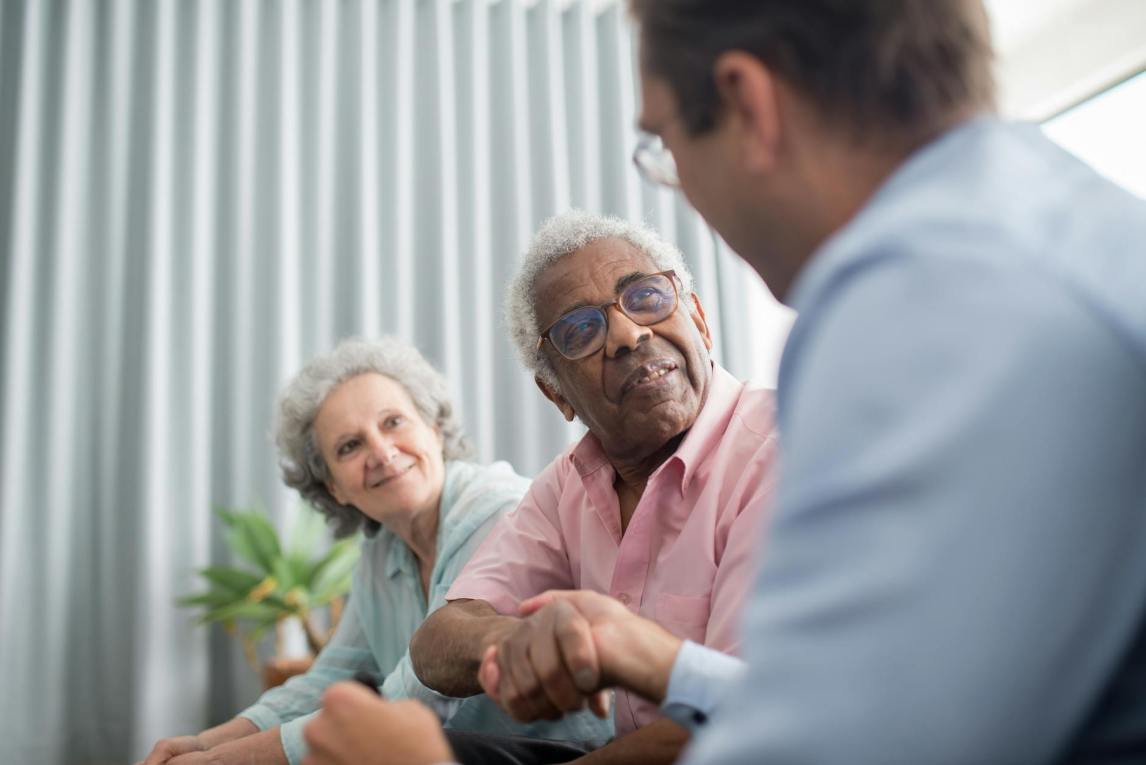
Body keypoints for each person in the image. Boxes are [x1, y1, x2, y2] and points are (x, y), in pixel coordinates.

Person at [301, 0, 1146, 762]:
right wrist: (662, 660)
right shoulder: (1051, 230)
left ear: (746, 102)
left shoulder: (923, 306)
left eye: (666, 142)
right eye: (586, 330)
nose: (629, 336)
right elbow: (852, 700)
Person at [404, 210, 778, 764]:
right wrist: (511, 642)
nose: (629, 334)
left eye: (647, 298)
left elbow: (751, 718)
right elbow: (436, 642)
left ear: (699, 319)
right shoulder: (568, 484)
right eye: (581, 330)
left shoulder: (777, 446)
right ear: (556, 394)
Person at [138, 337, 609, 765]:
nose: (382, 452)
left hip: (569, 755)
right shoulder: (382, 549)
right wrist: (208, 743)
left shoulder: (497, 510)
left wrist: (229, 762)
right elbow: (329, 681)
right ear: (334, 487)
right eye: (349, 446)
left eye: (393, 422)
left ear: (434, 429)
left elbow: (415, 699)